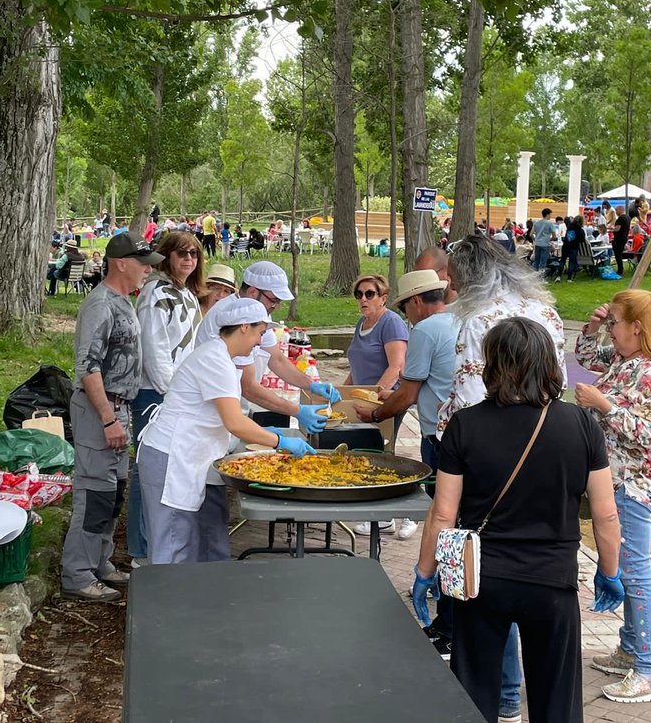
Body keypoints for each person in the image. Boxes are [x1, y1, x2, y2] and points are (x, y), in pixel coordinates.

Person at [413, 318, 622, 723]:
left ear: (491, 363)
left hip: (481, 581)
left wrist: (426, 572)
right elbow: (605, 513)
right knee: (556, 698)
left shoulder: (465, 424)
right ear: (549, 363)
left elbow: (443, 513)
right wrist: (609, 571)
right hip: (552, 581)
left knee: (474, 692)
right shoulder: (580, 425)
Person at [436, 234, 568, 723]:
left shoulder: (475, 320)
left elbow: (471, 395)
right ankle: (523, 693)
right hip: (545, 448)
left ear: (468, 273)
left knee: (482, 572)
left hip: (487, 459)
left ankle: (502, 692)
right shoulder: (545, 311)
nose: (446, 282)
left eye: (451, 273)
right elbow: (561, 386)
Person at [137, 300, 315, 563]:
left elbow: (224, 418)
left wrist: (264, 432)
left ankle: (189, 599)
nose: (260, 340)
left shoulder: (221, 357)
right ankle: (167, 601)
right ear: (244, 327)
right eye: (260, 331)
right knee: (172, 546)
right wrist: (279, 441)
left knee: (188, 541)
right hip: (172, 457)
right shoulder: (214, 359)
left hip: (188, 455)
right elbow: (234, 422)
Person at [573, 289, 651, 704]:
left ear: (637, 328)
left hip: (633, 485)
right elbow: (587, 356)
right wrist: (594, 326)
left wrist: (603, 406)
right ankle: (631, 649)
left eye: (616, 322)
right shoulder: (625, 361)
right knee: (628, 568)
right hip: (617, 481)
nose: (611, 330)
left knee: (635, 573)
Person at [355, 269, 459, 656]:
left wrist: (375, 413)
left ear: (416, 302)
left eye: (405, 306)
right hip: (467, 437)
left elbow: (408, 392)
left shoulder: (427, 330)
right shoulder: (461, 320)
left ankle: (446, 621)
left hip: (441, 438)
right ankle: (447, 615)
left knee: (444, 525)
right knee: (458, 530)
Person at [60, 231, 162, 602]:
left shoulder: (122, 301)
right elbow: (88, 367)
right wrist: (107, 418)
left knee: (113, 491)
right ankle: (76, 574)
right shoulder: (100, 304)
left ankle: (98, 562)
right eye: (143, 264)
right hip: (101, 410)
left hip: (119, 407)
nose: (147, 272)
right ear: (122, 263)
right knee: (94, 492)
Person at [128, 231, 205, 567]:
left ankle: (161, 545)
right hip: (156, 394)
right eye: (182, 253)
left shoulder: (184, 293)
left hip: (177, 395)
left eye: (194, 254)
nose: (189, 260)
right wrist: (172, 394)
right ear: (167, 255)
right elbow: (154, 350)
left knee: (167, 471)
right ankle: (142, 549)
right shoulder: (156, 294)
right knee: (149, 471)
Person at [194, 261, 338, 433]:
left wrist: (311, 385)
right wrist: (297, 412)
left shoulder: (255, 313)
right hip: (208, 417)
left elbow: (276, 359)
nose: (276, 306)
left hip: (226, 415)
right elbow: (247, 386)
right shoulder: (234, 317)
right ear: (253, 292)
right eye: (274, 300)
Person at [342, 274, 410, 538]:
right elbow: (356, 367)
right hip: (363, 400)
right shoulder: (361, 323)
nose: (363, 299)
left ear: (383, 298)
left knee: (385, 454)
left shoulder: (391, 323)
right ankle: (383, 516)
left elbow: (397, 366)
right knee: (372, 453)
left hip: (386, 400)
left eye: (369, 294)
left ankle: (403, 513)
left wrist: (373, 398)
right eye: (359, 294)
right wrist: (340, 393)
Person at [560, 217, 587, 282]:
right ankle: (569, 278)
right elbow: (582, 240)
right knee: (571, 262)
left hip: (566, 246)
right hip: (574, 247)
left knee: (563, 261)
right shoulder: (580, 230)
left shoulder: (569, 227)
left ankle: (558, 276)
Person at [531, 207, 557, 272]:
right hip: (545, 244)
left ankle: (534, 276)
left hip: (537, 244)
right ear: (547, 214)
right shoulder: (549, 223)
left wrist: (535, 239)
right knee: (543, 262)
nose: (550, 216)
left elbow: (531, 234)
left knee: (537, 261)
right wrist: (549, 240)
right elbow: (554, 236)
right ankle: (541, 277)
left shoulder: (536, 223)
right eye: (550, 214)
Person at [612, 211, 630, 275]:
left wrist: (611, 228)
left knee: (618, 255)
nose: (616, 212)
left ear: (620, 210)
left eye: (616, 211)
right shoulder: (627, 217)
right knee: (619, 254)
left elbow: (617, 229)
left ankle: (620, 270)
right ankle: (620, 269)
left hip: (619, 239)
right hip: (624, 237)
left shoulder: (620, 219)